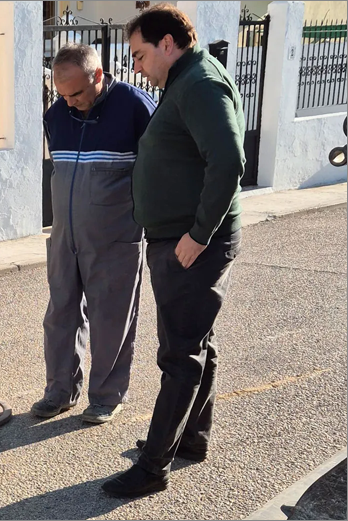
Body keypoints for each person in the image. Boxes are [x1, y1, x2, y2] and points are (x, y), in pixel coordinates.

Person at [102, 3, 245, 498]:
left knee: (180, 355)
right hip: (177, 239)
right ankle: (189, 441)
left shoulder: (200, 83)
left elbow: (228, 161)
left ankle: (152, 468)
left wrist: (200, 234)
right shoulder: (182, 81)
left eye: (140, 55)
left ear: (168, 43)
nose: (136, 66)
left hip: (191, 244)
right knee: (194, 345)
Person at [33, 43, 156, 424]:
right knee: (60, 315)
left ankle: (105, 396)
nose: (69, 102)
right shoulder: (56, 116)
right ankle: (59, 390)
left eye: (77, 93)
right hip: (65, 238)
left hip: (115, 237)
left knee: (112, 318)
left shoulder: (136, 107)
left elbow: (160, 170)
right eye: (62, 94)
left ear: (98, 76)